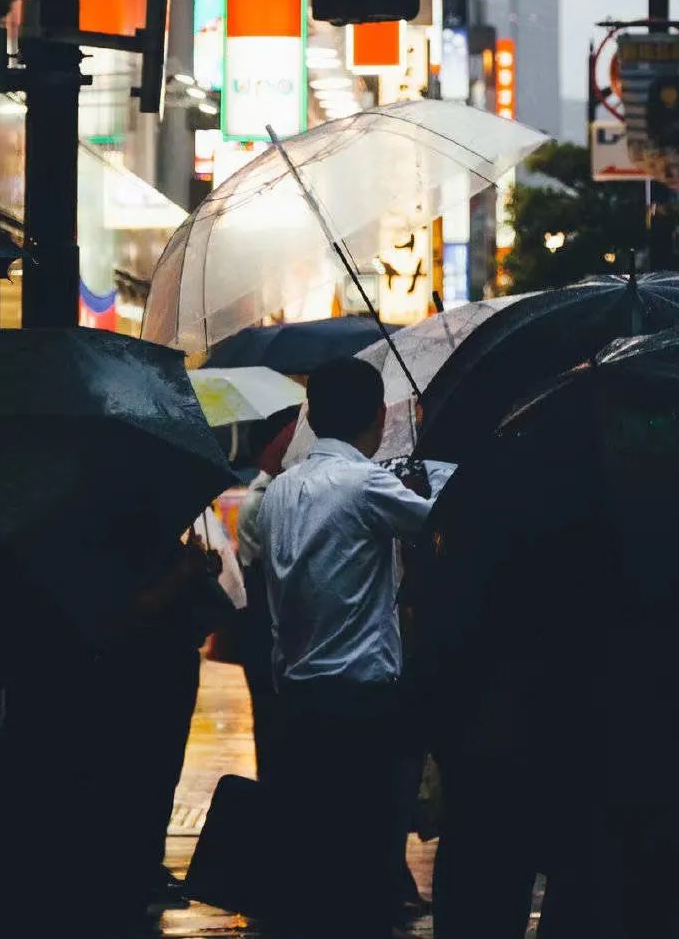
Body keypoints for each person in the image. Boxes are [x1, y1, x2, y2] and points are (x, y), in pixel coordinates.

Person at [256, 358, 433, 939]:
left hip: (298, 700)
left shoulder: (281, 489)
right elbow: (440, 525)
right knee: (364, 862)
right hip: (363, 703)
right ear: (379, 417)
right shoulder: (366, 484)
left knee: (314, 860)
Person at [237, 415, 297, 781]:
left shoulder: (275, 493)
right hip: (265, 631)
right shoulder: (262, 501)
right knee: (273, 728)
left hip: (269, 630)